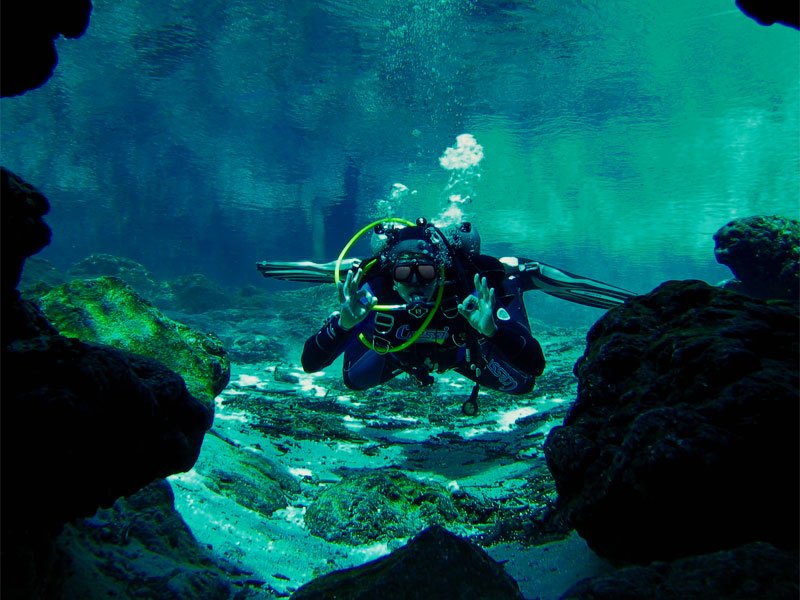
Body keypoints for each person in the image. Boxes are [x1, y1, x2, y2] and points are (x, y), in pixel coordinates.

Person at [299, 217, 546, 413]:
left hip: (459, 355)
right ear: (393, 279)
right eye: (404, 273)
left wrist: (494, 332)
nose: (415, 283)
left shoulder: (465, 293)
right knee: (353, 381)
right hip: (396, 355)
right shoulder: (375, 295)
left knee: (523, 384)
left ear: (439, 274)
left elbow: (535, 366)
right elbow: (310, 364)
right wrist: (342, 326)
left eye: (426, 272)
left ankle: (513, 284)